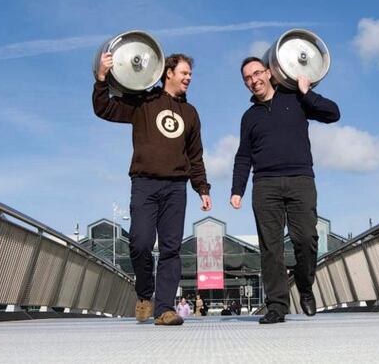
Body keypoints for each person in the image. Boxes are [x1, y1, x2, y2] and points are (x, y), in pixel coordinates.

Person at [93, 52, 212, 326]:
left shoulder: (191, 114)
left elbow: (196, 155)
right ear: (168, 72)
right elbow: (105, 109)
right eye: (184, 73)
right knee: (140, 242)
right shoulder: (144, 101)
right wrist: (101, 78)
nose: (188, 78)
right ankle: (144, 294)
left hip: (175, 187)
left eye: (190, 75)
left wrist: (202, 188)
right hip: (144, 183)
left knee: (171, 248)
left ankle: (165, 309)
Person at [230, 57, 340, 325]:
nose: (253, 80)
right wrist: (237, 190)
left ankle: (304, 286)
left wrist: (307, 92)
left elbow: (333, 114)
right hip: (265, 185)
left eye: (257, 73)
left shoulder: (295, 99)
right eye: (247, 78)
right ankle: (277, 306)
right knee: (271, 248)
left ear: (269, 73)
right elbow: (243, 156)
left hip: (300, 179)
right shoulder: (249, 117)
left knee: (306, 239)